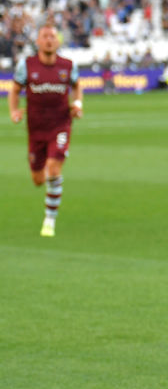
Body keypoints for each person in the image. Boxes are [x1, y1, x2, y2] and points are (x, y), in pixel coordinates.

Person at [8, 24, 82, 237]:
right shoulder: (27, 65)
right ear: (38, 42)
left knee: (54, 167)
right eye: (45, 36)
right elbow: (14, 90)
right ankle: (49, 202)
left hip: (60, 125)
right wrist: (14, 111)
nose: (49, 40)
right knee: (38, 179)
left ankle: (49, 221)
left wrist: (78, 105)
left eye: (52, 36)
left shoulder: (67, 65)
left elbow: (77, 86)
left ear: (58, 41)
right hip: (36, 129)